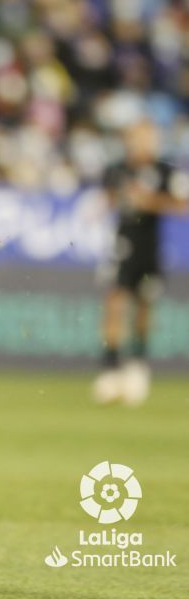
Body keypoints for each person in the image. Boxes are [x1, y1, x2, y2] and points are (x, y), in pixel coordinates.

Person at [92, 119, 189, 406]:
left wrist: (149, 202)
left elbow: (182, 204)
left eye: (147, 138)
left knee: (144, 306)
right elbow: (105, 200)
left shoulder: (164, 170)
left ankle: (137, 365)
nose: (142, 144)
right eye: (137, 138)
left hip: (150, 248)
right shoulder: (118, 170)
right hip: (123, 245)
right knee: (115, 301)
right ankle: (110, 369)